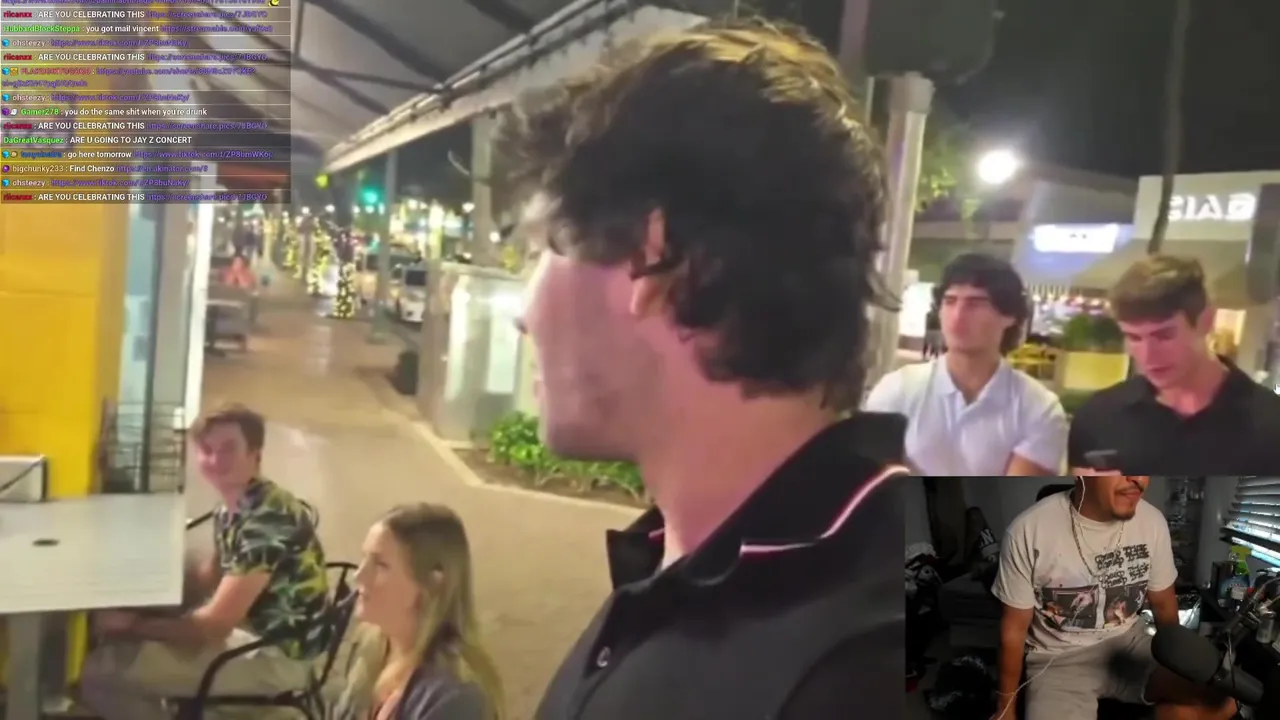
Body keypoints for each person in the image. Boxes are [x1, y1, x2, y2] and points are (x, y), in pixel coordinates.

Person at [500, 19, 909, 720]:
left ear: (654, 256)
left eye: (544, 248)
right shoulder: (693, 564)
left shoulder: (880, 664)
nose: (522, 313)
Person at [79, 405, 329, 720]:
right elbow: (210, 577)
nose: (215, 459)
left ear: (255, 453)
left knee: (100, 675)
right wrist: (151, 603)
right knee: (140, 638)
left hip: (279, 656)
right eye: (207, 450)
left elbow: (213, 627)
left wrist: (133, 624)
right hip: (259, 631)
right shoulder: (237, 505)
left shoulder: (264, 525)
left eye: (228, 449)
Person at [990, 476, 1236, 720]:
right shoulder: (1027, 531)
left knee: (1225, 701)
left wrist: (1177, 663)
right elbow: (1013, 632)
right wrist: (1006, 707)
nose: (1138, 478)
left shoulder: (1152, 522)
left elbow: (1163, 604)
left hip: (1128, 644)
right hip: (1057, 660)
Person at [1069, 255, 1280, 474]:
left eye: (1164, 335)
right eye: (1134, 337)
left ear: (1206, 321)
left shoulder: (1271, 425)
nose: (1148, 355)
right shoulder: (1097, 418)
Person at [864, 253, 1067, 475]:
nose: (958, 316)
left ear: (1009, 316)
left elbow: (1018, 495)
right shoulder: (897, 389)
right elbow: (875, 483)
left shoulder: (1038, 408)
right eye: (950, 301)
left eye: (975, 304)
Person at [334, 504, 503, 720]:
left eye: (381, 565)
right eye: (364, 558)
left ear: (431, 584)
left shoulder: (455, 697)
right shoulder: (375, 644)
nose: (359, 575)